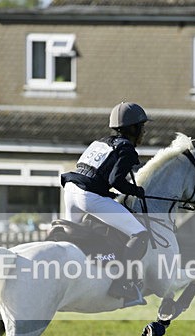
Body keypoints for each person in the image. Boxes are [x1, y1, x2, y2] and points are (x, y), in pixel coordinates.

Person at [60, 102, 151, 307]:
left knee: (71, 239)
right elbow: (116, 181)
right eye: (142, 128)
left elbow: (96, 174)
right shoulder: (126, 148)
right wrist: (136, 191)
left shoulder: (100, 142)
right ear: (133, 129)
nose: (144, 132)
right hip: (88, 197)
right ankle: (121, 284)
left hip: (70, 192)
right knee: (140, 234)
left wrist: (107, 193)